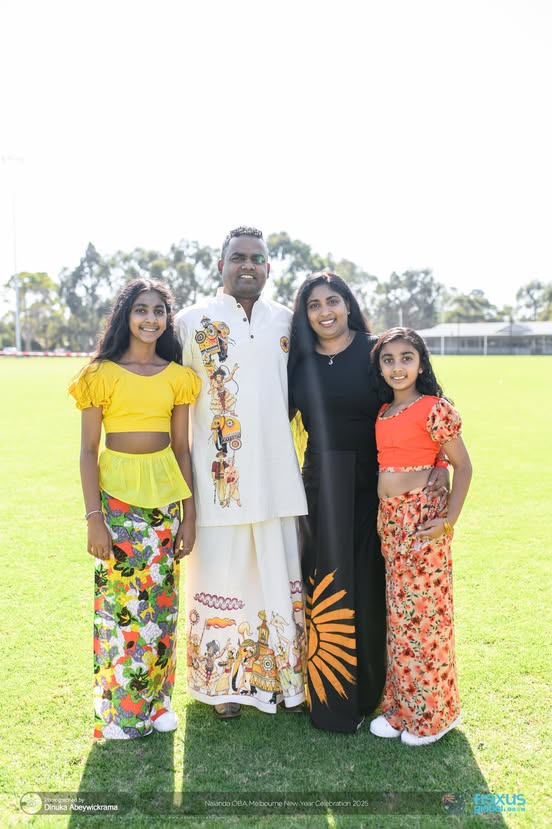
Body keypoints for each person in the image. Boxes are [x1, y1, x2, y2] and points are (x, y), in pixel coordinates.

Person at [287, 273, 450, 733]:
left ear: (347, 304)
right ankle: (329, 698)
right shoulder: (296, 364)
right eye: (314, 304)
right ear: (305, 314)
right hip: (319, 482)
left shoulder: (376, 349)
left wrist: (440, 462)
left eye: (332, 301)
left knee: (373, 586)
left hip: (375, 483)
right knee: (325, 586)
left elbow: (426, 401)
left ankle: (374, 694)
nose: (324, 311)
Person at [175, 226, 308, 719]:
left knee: (279, 578)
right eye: (237, 257)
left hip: (277, 478)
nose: (247, 265)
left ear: (270, 268)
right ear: (220, 266)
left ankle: (289, 684)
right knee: (221, 578)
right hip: (219, 483)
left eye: (256, 258)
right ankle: (221, 688)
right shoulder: (190, 322)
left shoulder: (291, 323)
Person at [69, 278, 200, 739]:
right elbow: (88, 451)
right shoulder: (99, 375)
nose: (151, 319)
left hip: (165, 497)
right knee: (122, 606)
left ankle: (158, 703)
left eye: (159, 311)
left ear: (168, 319)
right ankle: (123, 709)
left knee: (161, 602)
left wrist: (190, 515)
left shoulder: (179, 377)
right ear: (126, 315)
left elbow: (183, 449)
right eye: (142, 310)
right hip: (118, 499)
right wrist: (94, 519)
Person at [369, 327, 472, 746]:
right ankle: (400, 708)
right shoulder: (382, 412)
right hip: (391, 524)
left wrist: (447, 520)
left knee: (425, 621)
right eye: (388, 359)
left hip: (424, 524)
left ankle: (434, 714)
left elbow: (463, 467)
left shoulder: (434, 408)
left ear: (421, 363)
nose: (398, 366)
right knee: (400, 621)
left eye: (406, 357)